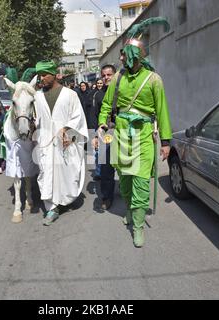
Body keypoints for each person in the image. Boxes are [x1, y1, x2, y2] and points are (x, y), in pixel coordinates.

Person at [97, 17, 172, 248]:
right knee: (126, 180)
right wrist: (101, 124)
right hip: (120, 135)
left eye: (128, 57)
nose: (124, 60)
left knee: (140, 182)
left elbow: (162, 112)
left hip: (144, 137)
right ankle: (130, 211)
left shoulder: (154, 80)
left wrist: (166, 142)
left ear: (138, 57)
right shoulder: (117, 78)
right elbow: (107, 105)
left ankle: (138, 228)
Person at [33, 60, 89, 226]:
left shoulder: (70, 94)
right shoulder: (37, 96)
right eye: (39, 75)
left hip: (65, 141)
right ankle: (52, 207)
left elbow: (78, 116)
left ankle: (63, 199)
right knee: (46, 172)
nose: (41, 78)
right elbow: (35, 118)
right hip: (45, 142)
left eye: (44, 75)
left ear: (54, 75)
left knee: (66, 173)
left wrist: (67, 129)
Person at [91, 65, 117, 210]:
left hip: (122, 133)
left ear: (115, 75)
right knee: (106, 168)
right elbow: (94, 117)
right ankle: (107, 197)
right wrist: (95, 136)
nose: (106, 78)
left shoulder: (122, 92)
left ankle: (127, 193)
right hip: (105, 134)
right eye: (104, 75)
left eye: (109, 74)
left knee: (126, 166)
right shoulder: (98, 95)